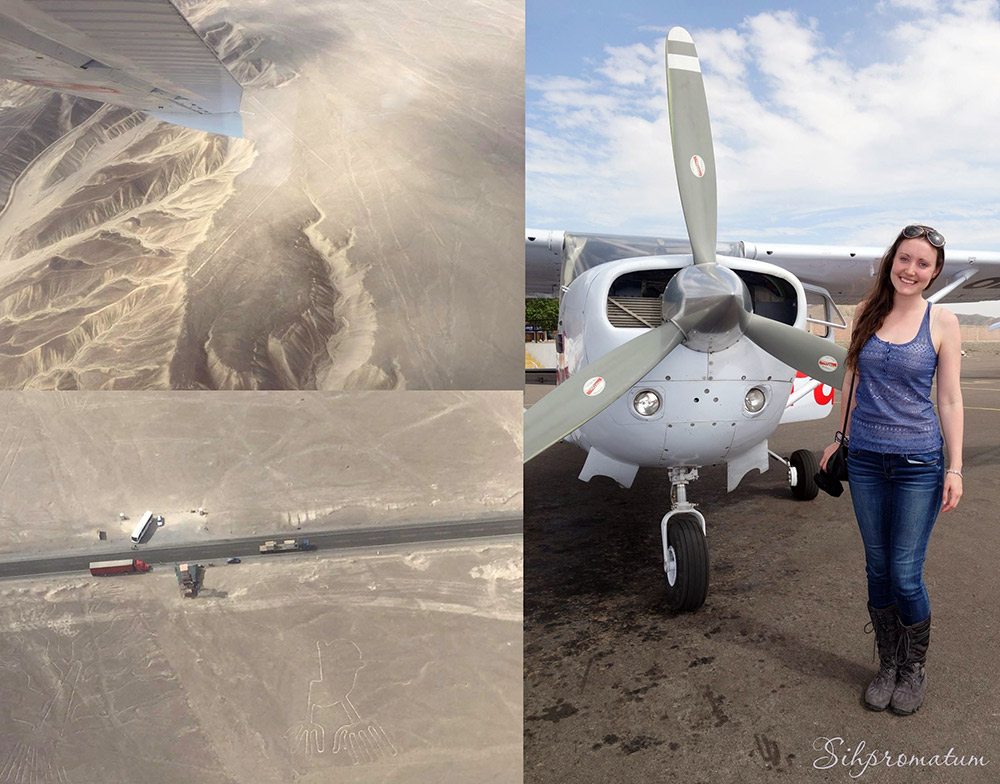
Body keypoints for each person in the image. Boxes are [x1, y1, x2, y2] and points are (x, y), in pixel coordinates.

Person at [819, 224, 963, 716]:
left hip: (919, 463)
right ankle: (887, 663)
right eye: (905, 259)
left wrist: (956, 467)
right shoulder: (866, 312)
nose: (911, 270)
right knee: (877, 569)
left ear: (935, 272)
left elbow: (948, 398)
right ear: (891, 261)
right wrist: (838, 439)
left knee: (905, 574)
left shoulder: (942, 322)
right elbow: (851, 382)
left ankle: (912, 668)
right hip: (863, 460)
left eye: (923, 264)